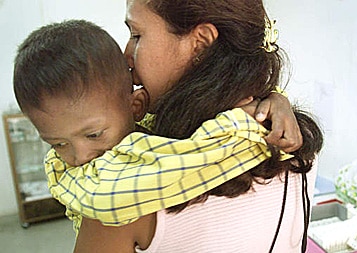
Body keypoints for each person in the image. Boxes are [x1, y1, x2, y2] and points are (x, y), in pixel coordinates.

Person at [13, 1, 323, 253]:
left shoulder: (118, 196)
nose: (125, 55)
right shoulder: (293, 144)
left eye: (136, 35)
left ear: (199, 43)